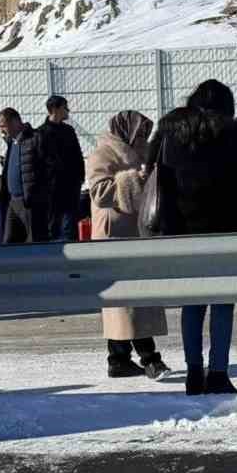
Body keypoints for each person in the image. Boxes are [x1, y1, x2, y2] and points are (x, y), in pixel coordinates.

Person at [148, 79, 237, 394]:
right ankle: (218, 372)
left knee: (192, 303)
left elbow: (150, 167)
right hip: (228, 231)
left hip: (183, 234)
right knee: (222, 303)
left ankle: (193, 373)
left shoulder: (169, 132)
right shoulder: (233, 133)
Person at [85, 111, 171, 380]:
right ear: (128, 132)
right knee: (124, 303)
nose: (144, 138)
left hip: (135, 233)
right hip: (114, 236)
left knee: (133, 301)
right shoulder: (103, 154)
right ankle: (148, 359)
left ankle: (120, 358)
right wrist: (135, 178)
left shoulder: (139, 152)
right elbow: (99, 192)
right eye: (141, 133)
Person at [33, 95, 84, 241]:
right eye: (65, 107)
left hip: (71, 187)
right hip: (52, 190)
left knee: (70, 227)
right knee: (53, 227)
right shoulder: (40, 133)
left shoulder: (69, 131)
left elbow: (77, 155)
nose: (68, 110)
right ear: (55, 109)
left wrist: (80, 177)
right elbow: (39, 162)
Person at [0, 108, 36, 244]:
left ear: (15, 122)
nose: (1, 131)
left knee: (32, 240)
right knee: (9, 241)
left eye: (3, 126)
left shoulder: (33, 139)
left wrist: (33, 194)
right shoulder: (12, 142)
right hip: (13, 201)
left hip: (28, 202)